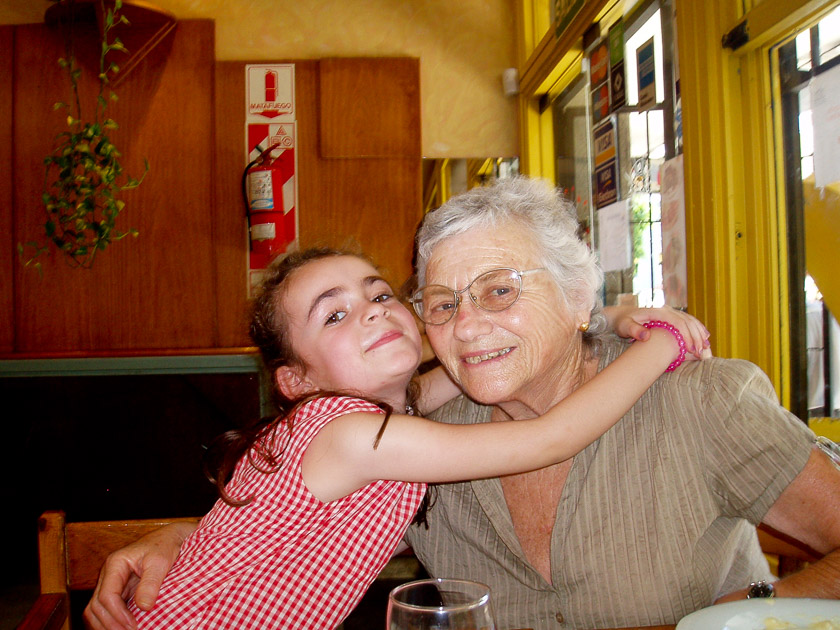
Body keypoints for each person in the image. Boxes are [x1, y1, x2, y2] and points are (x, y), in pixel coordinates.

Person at [91, 244, 697, 630]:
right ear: (297, 380)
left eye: (379, 293)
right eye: (334, 314)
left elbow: (467, 363)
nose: (373, 309)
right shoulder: (352, 436)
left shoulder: (372, 417)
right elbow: (548, 440)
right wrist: (662, 345)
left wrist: (602, 318)